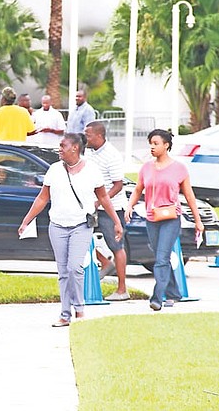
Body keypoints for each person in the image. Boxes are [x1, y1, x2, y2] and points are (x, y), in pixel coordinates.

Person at [19, 133, 123, 327]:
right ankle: (65, 314)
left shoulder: (92, 170)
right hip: (57, 225)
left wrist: (116, 221)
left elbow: (103, 198)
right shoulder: (55, 170)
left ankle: (80, 309)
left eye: (62, 146)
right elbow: (43, 198)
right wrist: (27, 220)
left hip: (81, 226)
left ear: (75, 148)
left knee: (75, 267)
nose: (59, 149)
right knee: (63, 271)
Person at [125, 129, 204, 311]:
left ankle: (157, 297)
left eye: (156, 143)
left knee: (161, 258)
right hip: (152, 218)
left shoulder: (179, 168)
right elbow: (138, 189)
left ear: (166, 145)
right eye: (150, 144)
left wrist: (198, 221)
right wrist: (130, 206)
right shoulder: (146, 167)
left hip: (171, 218)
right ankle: (174, 293)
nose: (152, 147)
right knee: (160, 257)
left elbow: (190, 196)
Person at [84, 121, 129, 301]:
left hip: (113, 208)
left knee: (116, 246)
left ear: (99, 136)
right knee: (81, 238)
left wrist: (101, 201)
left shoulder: (112, 155)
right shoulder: (89, 152)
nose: (85, 138)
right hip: (91, 205)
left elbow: (118, 184)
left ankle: (122, 289)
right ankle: (105, 263)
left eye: (88, 135)